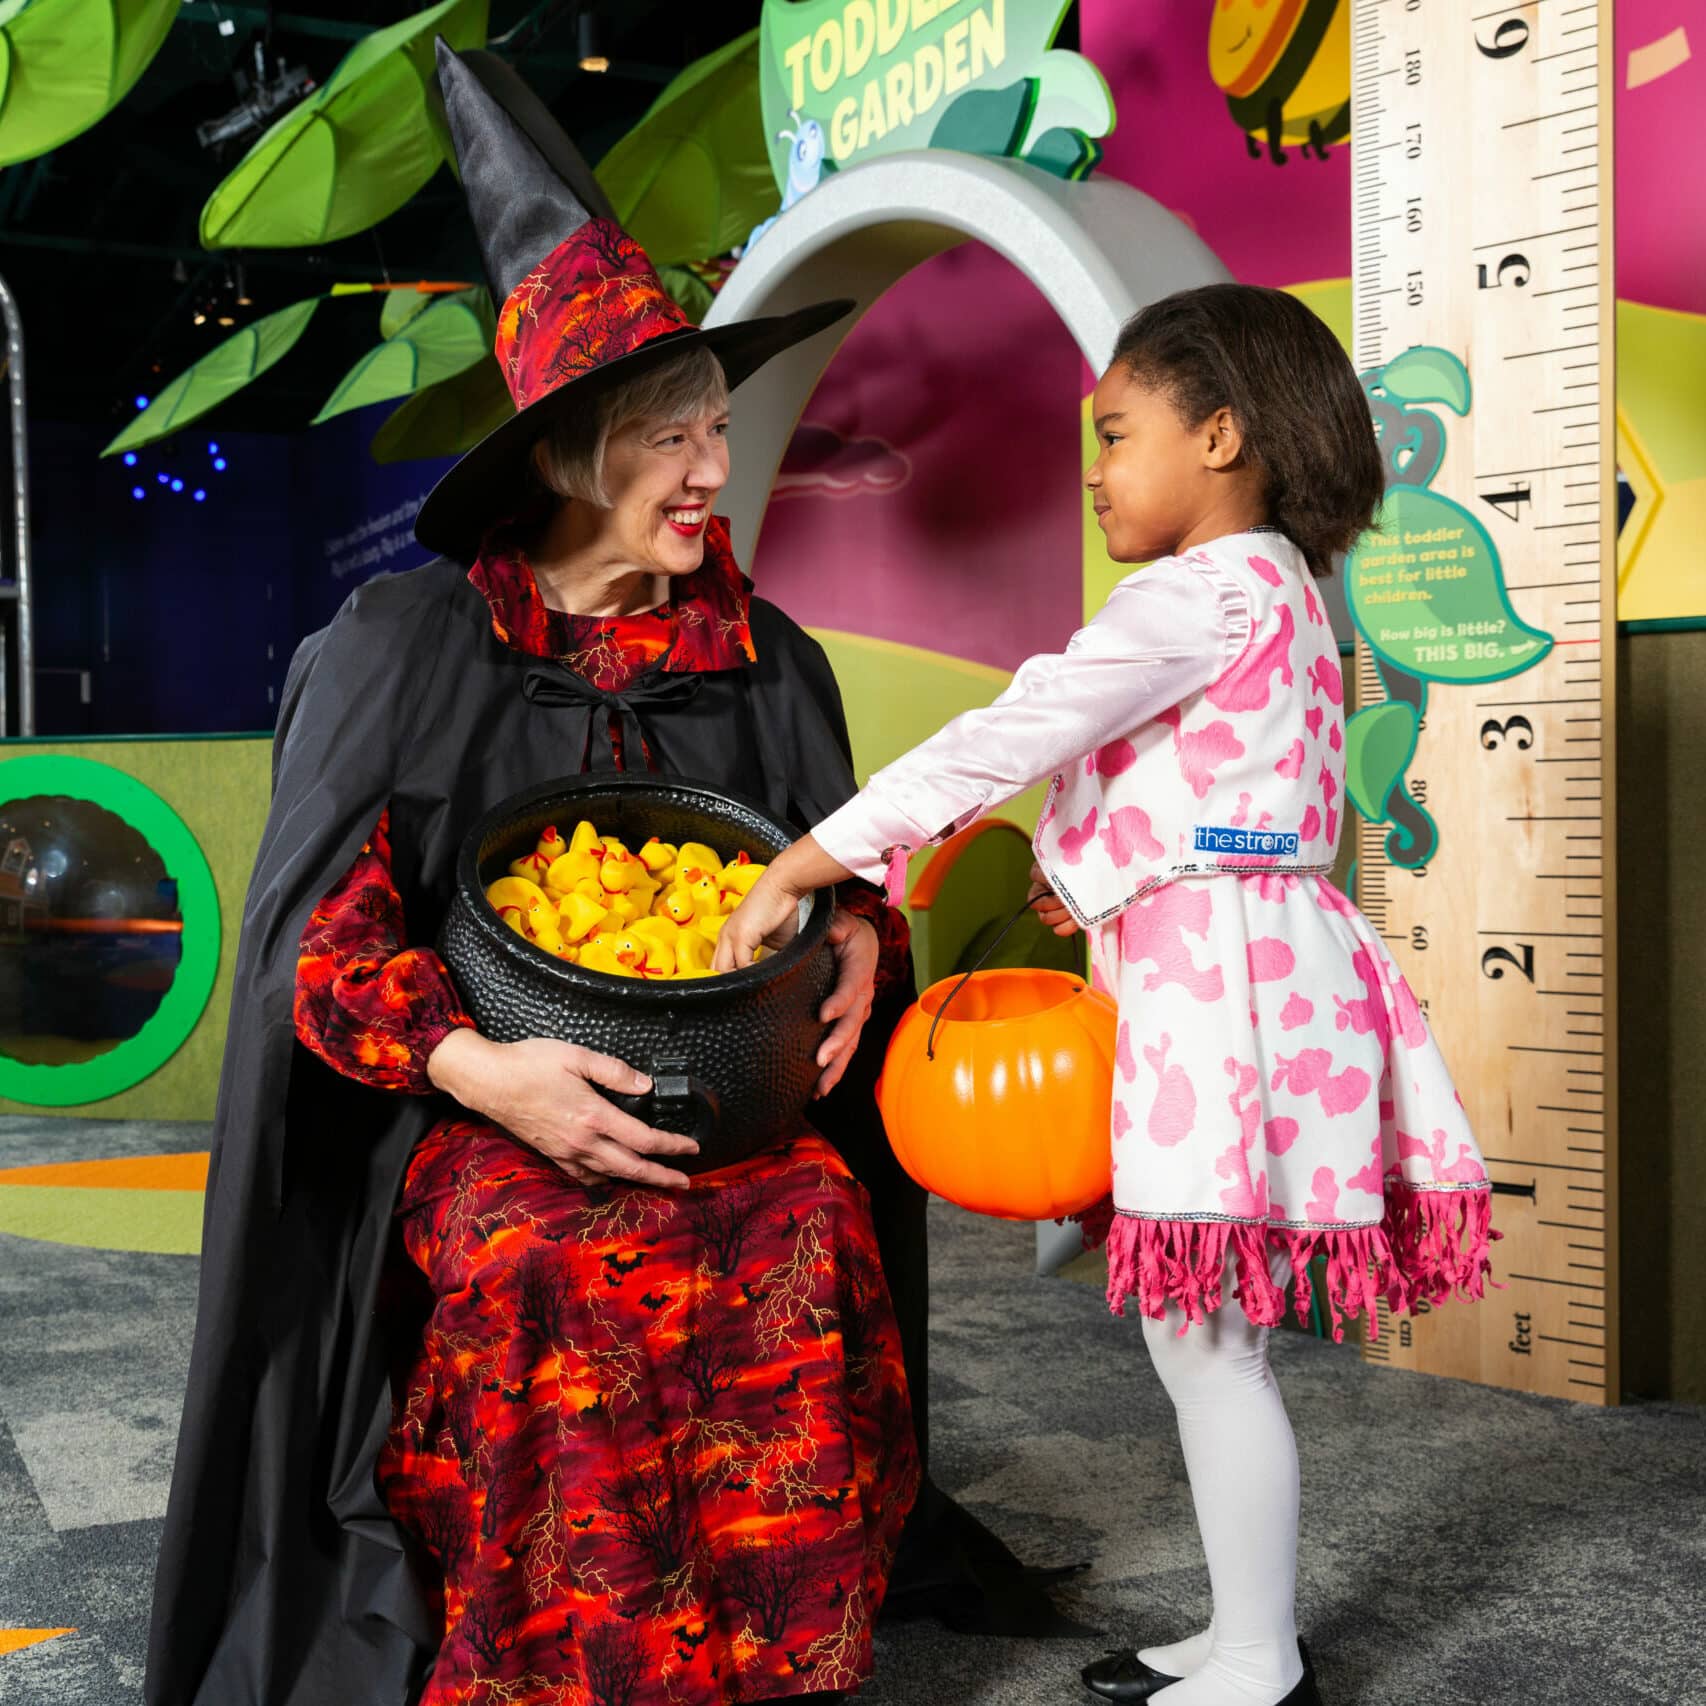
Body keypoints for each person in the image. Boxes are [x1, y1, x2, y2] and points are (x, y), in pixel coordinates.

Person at [146, 43, 1049, 1706]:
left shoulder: (764, 650)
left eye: (715, 427)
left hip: (730, 1101)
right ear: (568, 455)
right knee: (552, 1255)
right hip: (471, 1108)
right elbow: (324, 939)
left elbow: (837, 859)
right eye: (665, 437)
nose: (710, 469)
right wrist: (485, 1068)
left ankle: (766, 1648)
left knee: (808, 1216)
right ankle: (559, 1652)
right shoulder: (398, 645)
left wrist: (859, 934)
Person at [718, 283, 1498, 1706]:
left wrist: (811, 857)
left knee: (1206, 1340)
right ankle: (1239, 1626)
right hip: (1244, 967)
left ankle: (1258, 1655)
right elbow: (1196, 790)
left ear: (1219, 434)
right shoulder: (1279, 590)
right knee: (1203, 1338)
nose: (1094, 467)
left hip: (1220, 990)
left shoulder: (1201, 589)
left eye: (1118, 431)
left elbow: (1023, 723)